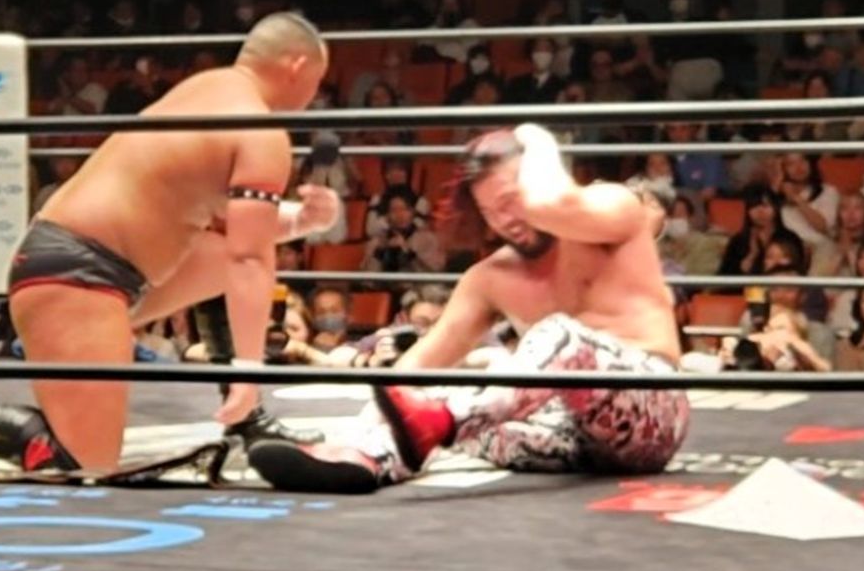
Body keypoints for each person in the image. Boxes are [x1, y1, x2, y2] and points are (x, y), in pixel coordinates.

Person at [0, 13, 339, 473]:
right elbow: (251, 259)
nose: (313, 97)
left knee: (219, 255)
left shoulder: (207, 90)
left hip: (96, 268)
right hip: (74, 274)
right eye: (316, 82)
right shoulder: (260, 130)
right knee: (86, 460)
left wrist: (302, 219)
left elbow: (240, 233)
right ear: (297, 66)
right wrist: (248, 372)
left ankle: (247, 422)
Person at [247, 125, 690, 493]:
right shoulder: (491, 277)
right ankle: (367, 461)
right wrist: (361, 435)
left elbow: (551, 205)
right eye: (492, 211)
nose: (508, 219)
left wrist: (537, 138)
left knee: (559, 333)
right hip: (562, 438)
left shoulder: (613, 207)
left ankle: (440, 422)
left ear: (537, 178)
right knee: (443, 405)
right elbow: (413, 370)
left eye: (513, 198)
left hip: (651, 415)